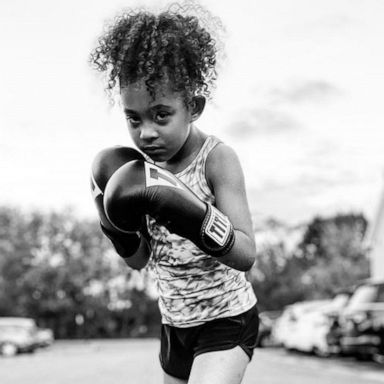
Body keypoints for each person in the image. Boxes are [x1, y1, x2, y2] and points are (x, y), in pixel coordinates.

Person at [89, 2, 259, 383]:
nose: (146, 132)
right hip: (174, 326)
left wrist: (193, 215)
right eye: (134, 118)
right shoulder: (137, 172)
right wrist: (113, 223)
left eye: (161, 115)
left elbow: (247, 254)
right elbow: (140, 261)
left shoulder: (216, 159)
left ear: (193, 106)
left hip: (226, 318)